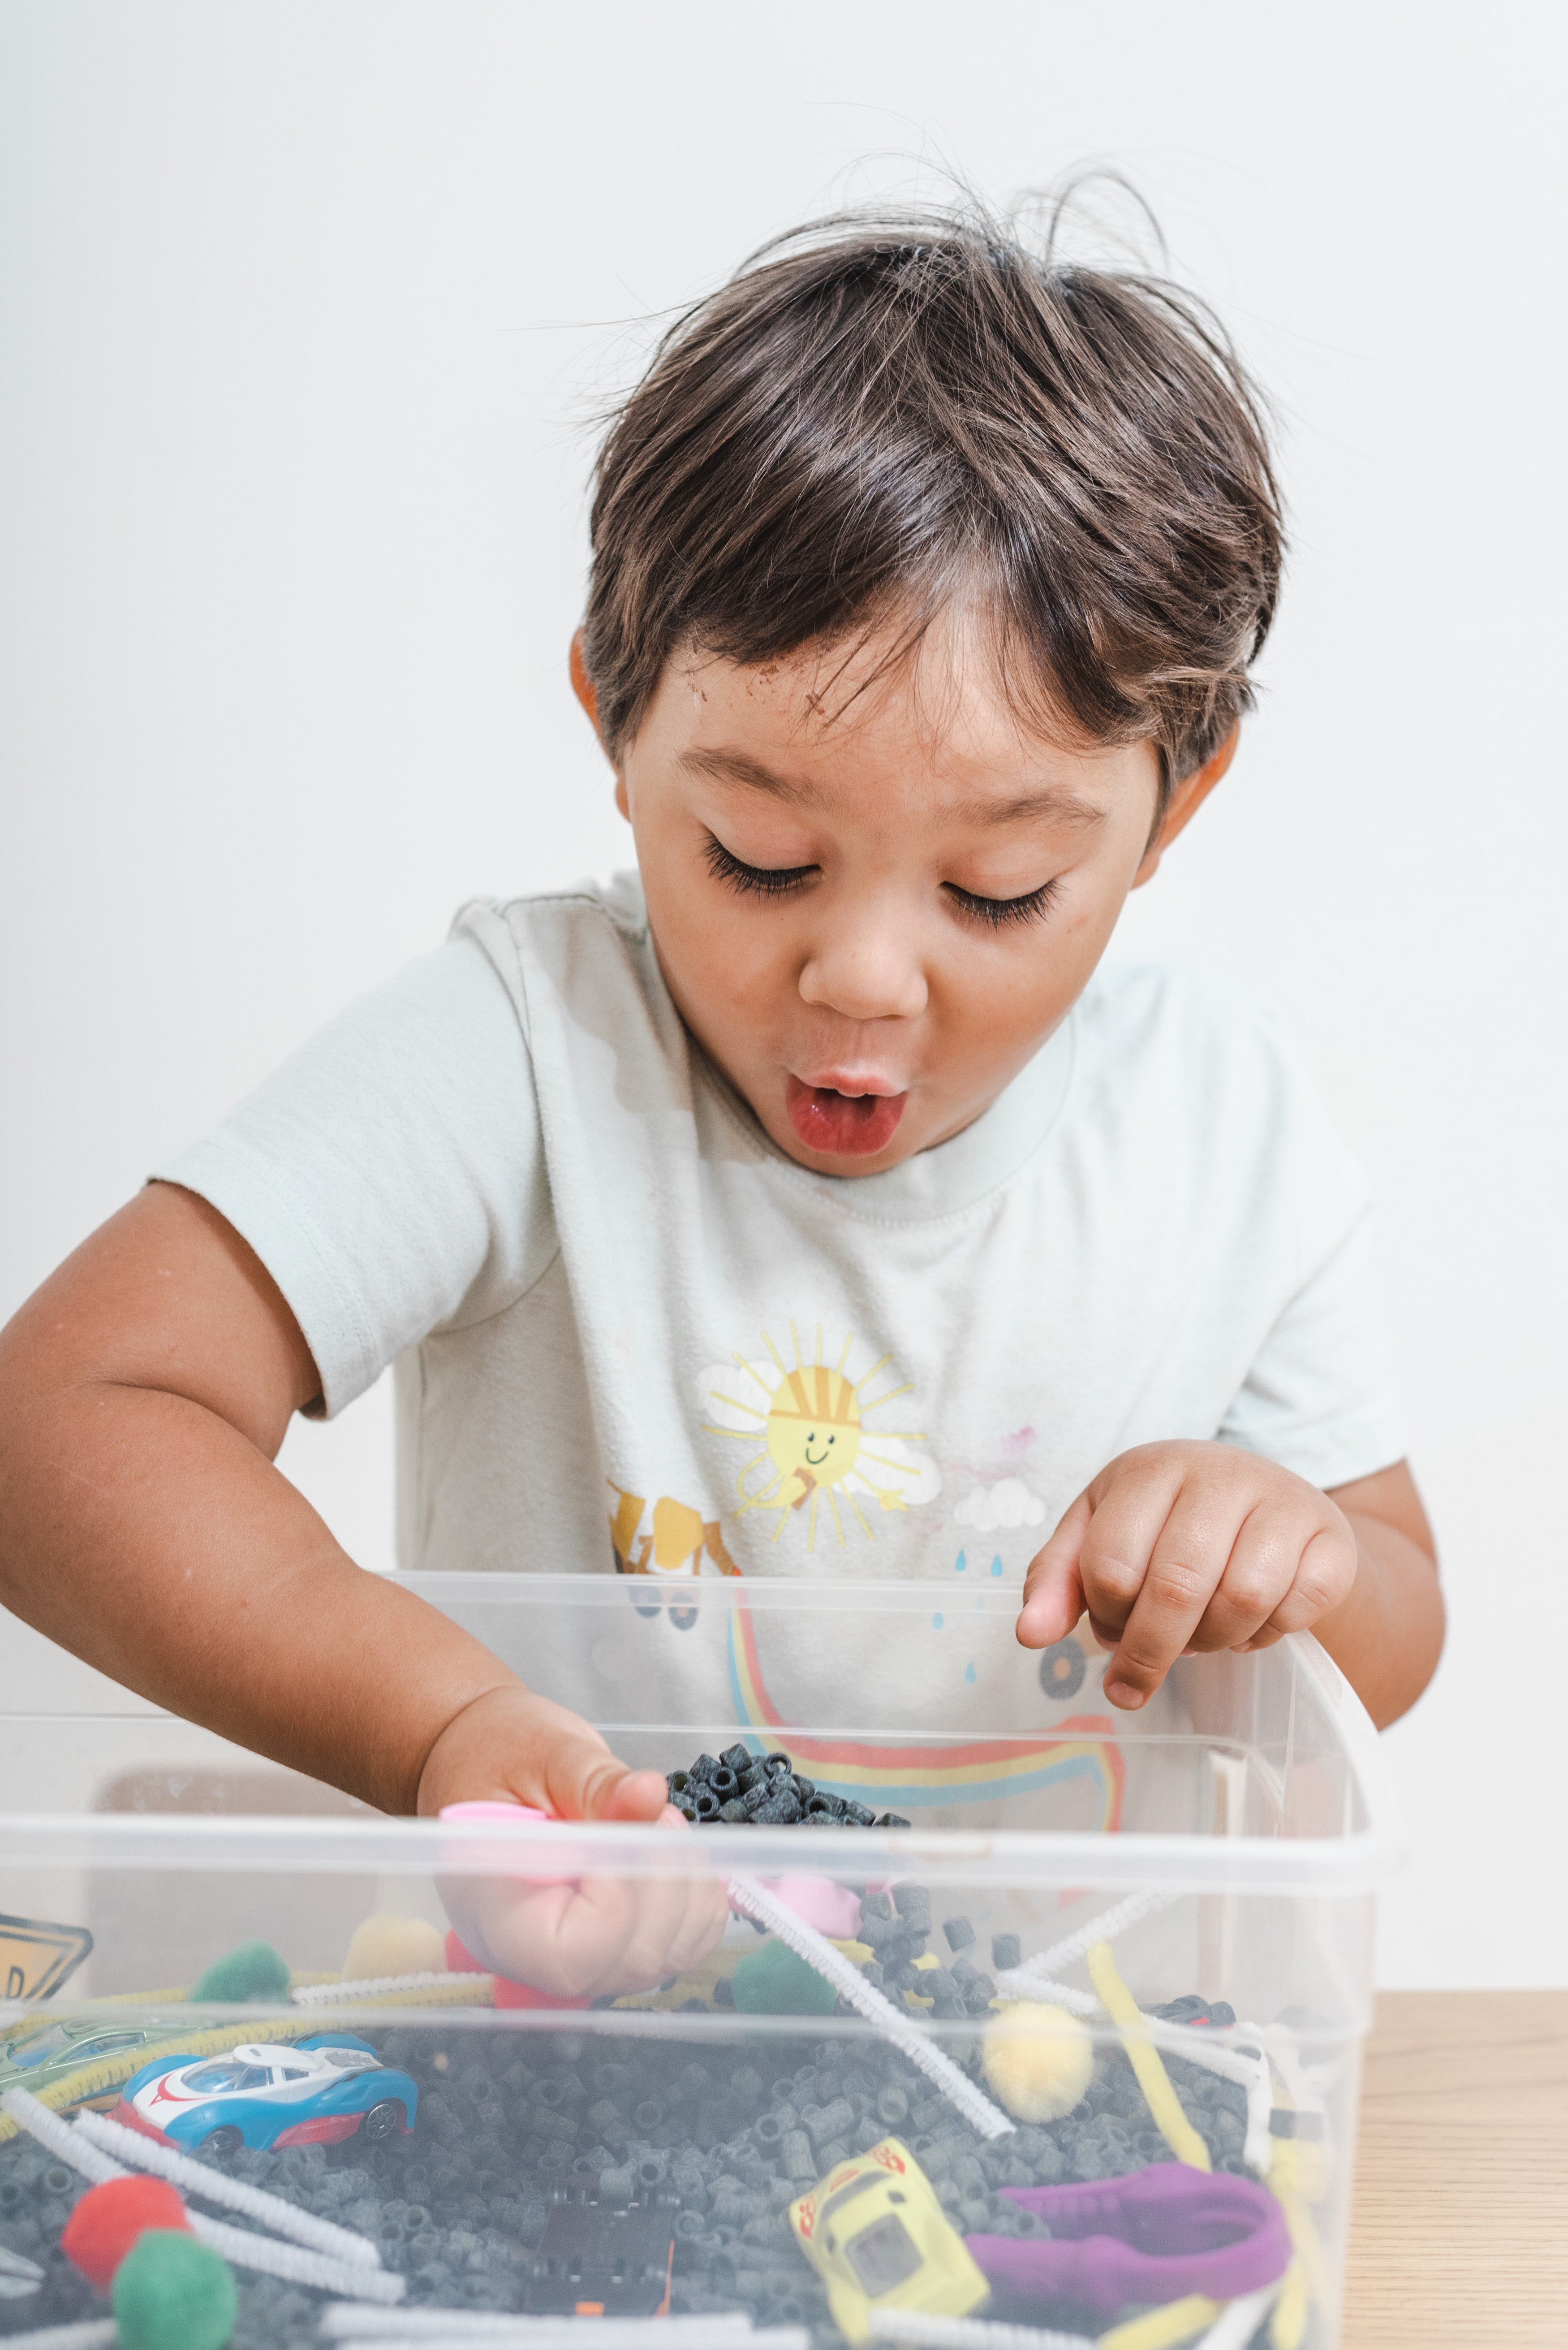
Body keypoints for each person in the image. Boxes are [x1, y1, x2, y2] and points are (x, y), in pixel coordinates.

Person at [0, 201, 1443, 1993]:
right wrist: (441, 1726)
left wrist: (1274, 1542)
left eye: (996, 892)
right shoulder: (527, 1050)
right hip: (562, 2043)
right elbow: (56, 1423)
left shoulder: (1224, 1128)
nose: (860, 978)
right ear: (612, 720)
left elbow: (1385, 1621)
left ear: (1174, 804)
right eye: (757, 856)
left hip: (1042, 2090)